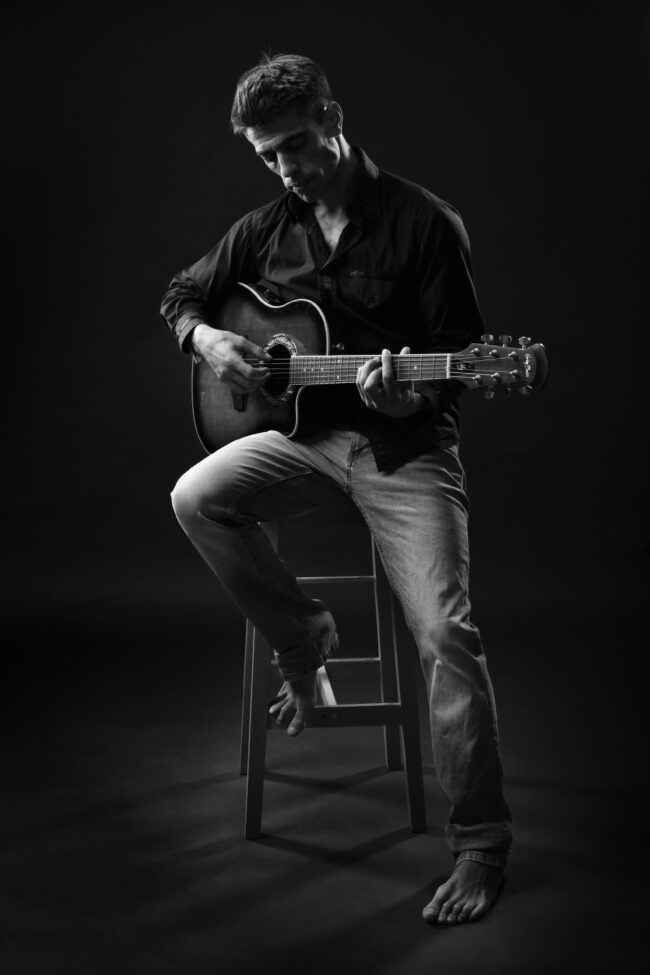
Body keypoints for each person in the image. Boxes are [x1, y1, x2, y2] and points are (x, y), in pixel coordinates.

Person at [161, 53, 512, 925]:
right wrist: (207, 341)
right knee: (194, 497)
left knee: (446, 632)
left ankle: (481, 844)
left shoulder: (426, 223)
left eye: (297, 146)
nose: (286, 168)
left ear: (334, 116)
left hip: (403, 451)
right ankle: (305, 634)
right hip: (299, 441)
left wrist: (414, 389)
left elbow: (460, 361)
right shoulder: (264, 227)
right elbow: (180, 295)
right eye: (268, 156)